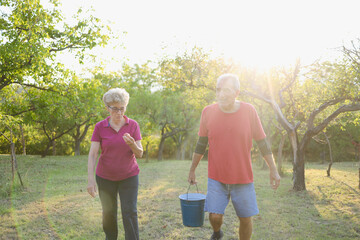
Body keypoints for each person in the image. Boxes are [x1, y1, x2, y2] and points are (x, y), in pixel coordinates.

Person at [188, 74, 281, 240]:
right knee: (215, 217)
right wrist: (192, 170)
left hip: (243, 177)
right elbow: (201, 144)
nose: (221, 94)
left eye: (227, 90)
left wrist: (273, 169)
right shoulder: (208, 112)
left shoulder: (249, 111)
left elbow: (262, 143)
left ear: (237, 92)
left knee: (245, 218)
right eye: (218, 90)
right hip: (217, 177)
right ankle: (217, 233)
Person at [87, 88, 143, 240]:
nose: (119, 112)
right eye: (114, 109)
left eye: (122, 108)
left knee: (129, 212)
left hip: (129, 176)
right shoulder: (100, 127)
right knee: (109, 212)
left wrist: (132, 144)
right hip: (105, 177)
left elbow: (140, 153)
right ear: (107, 108)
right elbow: (93, 154)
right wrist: (90, 180)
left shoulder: (133, 125)